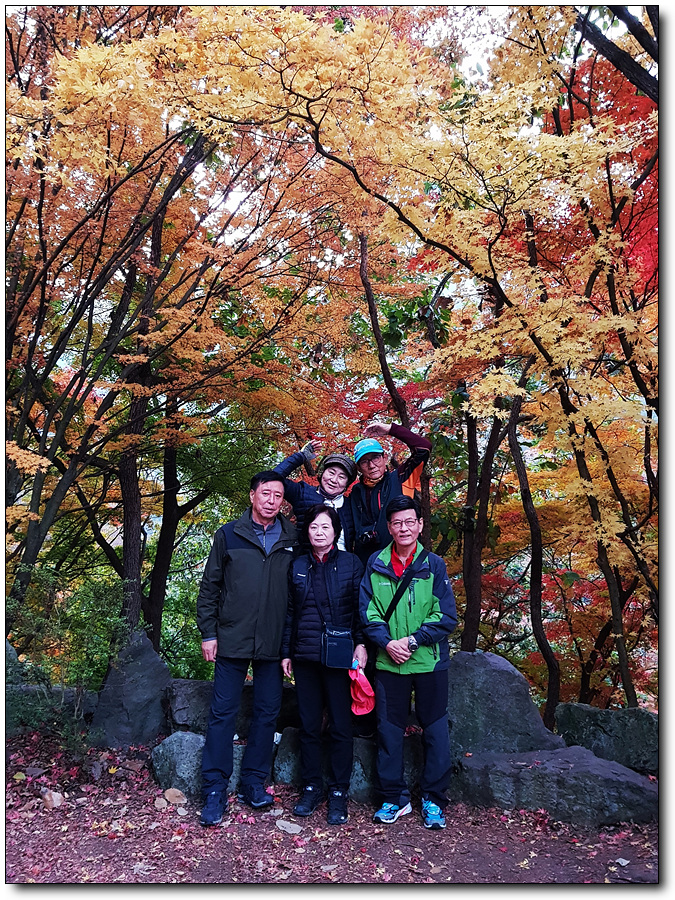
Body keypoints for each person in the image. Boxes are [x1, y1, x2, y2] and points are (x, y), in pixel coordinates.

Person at [196, 471, 298, 827]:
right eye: (266, 493)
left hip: (272, 641)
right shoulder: (229, 534)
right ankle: (214, 789)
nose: (272, 500)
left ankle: (254, 782)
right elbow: (210, 586)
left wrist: (290, 645)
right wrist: (208, 633)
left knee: (267, 714)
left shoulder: (292, 538)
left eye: (278, 495)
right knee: (222, 713)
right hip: (232, 637)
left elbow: (297, 595)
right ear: (252, 495)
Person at [359, 495, 457, 830]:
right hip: (389, 663)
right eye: (397, 523)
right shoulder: (375, 564)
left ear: (419, 525)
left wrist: (413, 641)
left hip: (429, 662)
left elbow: (445, 615)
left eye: (409, 522)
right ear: (389, 527)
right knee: (389, 731)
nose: (403, 528)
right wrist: (388, 643)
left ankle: (434, 799)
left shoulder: (434, 565)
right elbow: (368, 612)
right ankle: (393, 798)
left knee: (436, 731)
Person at [281, 505, 367, 825]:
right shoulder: (298, 565)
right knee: (309, 725)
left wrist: (361, 643)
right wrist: (286, 652)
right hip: (305, 656)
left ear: (336, 532)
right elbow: (290, 612)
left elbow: (361, 608)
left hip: (340, 656)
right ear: (307, 531)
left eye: (325, 527)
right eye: (314, 527)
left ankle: (339, 790)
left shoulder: (351, 563)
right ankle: (311, 786)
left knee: (341, 726)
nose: (319, 532)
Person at [350, 421, 432, 566]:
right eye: (364, 461)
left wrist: (391, 429)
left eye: (375, 457)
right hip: (368, 566)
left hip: (405, 562)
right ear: (359, 468)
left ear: (385, 458)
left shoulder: (401, 478)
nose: (371, 465)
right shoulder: (355, 492)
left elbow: (424, 447)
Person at [274, 439, 357, 551]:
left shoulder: (351, 505)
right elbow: (272, 479)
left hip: (342, 559)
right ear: (322, 473)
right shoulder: (303, 492)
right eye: (331, 473)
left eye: (341, 477)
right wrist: (301, 457)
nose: (334, 480)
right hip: (306, 559)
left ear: (347, 484)